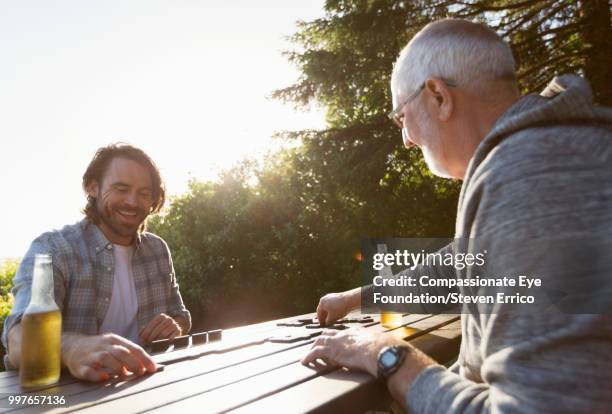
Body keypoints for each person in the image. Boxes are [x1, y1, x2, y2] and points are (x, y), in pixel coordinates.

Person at [303, 19, 612, 413]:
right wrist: (355, 299)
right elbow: (457, 266)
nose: (406, 138)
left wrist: (388, 356)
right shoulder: (555, 151)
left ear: (438, 96)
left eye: (402, 117)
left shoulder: (531, 176)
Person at [2, 143, 191, 382]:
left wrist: (175, 325)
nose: (133, 202)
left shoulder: (157, 250)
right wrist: (70, 348)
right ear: (92, 187)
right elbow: (18, 340)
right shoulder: (52, 249)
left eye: (144, 193)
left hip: (147, 387)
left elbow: (181, 316)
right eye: (121, 189)